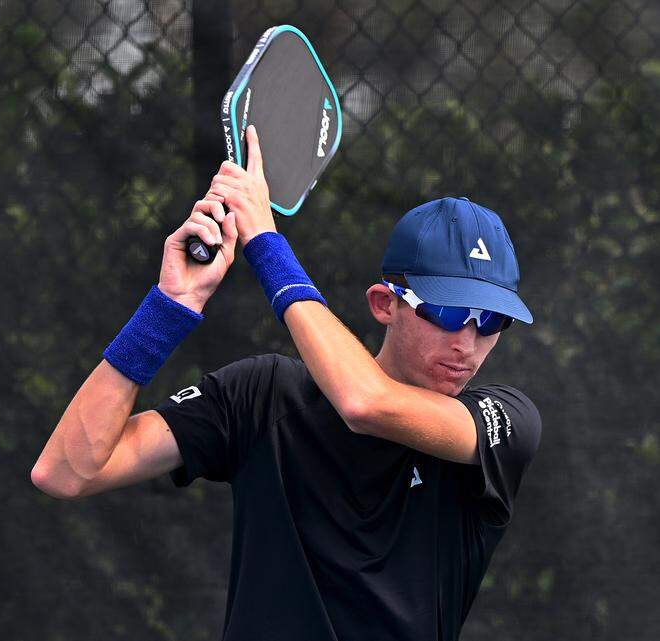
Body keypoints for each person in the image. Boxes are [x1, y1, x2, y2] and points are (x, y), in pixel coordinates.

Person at [31, 126, 541, 641]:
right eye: (451, 312)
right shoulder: (262, 395)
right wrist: (168, 311)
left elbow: (364, 402)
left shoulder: (504, 424)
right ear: (385, 304)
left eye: (492, 320)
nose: (468, 342)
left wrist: (266, 245)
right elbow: (66, 472)